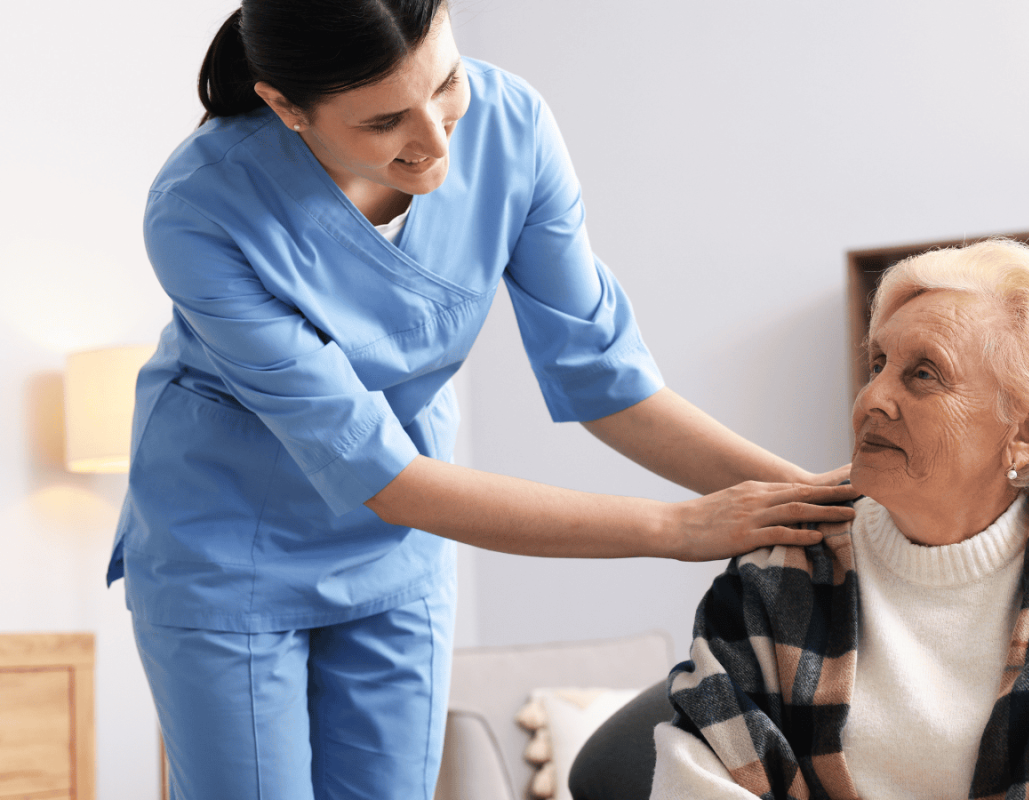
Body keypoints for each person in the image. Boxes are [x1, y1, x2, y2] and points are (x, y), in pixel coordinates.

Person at [108, 1, 859, 797]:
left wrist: (818, 501)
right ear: (286, 107)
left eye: (449, 83)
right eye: (384, 121)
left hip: (399, 554)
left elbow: (608, 382)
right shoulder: (202, 206)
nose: (437, 141)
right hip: (232, 549)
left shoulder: (513, 126)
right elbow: (382, 476)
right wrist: (676, 528)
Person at [651, 240, 1029, 800]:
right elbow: (692, 783)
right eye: (878, 364)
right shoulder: (778, 566)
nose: (871, 399)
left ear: (1027, 430)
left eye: (923, 374)